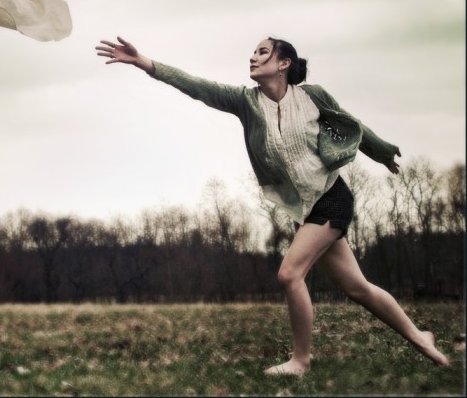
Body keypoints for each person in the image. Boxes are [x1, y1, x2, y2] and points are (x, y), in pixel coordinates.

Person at [95, 36, 451, 376]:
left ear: (283, 63)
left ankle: (301, 360)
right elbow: (196, 85)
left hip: (331, 197)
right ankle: (420, 336)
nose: (253, 57)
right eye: (253, 52)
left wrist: (383, 152)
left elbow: (351, 123)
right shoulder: (245, 102)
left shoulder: (311, 96)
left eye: (262, 52)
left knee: (289, 274)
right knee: (357, 288)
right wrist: (143, 63)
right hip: (306, 210)